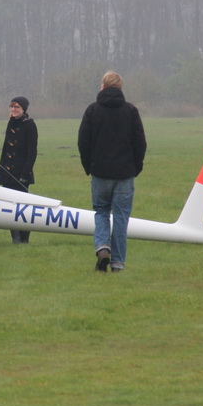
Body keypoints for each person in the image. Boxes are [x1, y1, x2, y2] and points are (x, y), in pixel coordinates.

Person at [78, 71, 147, 272]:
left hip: (100, 172)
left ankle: (102, 247)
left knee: (101, 211)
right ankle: (117, 263)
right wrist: (136, 167)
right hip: (125, 174)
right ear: (120, 88)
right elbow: (140, 142)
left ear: (102, 87)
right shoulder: (131, 111)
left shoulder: (92, 110)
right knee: (120, 217)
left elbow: (83, 141)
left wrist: (88, 166)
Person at [0, 96, 38, 244]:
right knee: (9, 206)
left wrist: (25, 174)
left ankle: (24, 237)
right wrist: (0, 172)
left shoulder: (30, 125)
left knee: (23, 207)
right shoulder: (10, 123)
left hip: (21, 173)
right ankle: (15, 238)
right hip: (8, 172)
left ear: (23, 109)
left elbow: (32, 152)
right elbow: (6, 148)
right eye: (12, 107)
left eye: (17, 107)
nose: (13, 110)